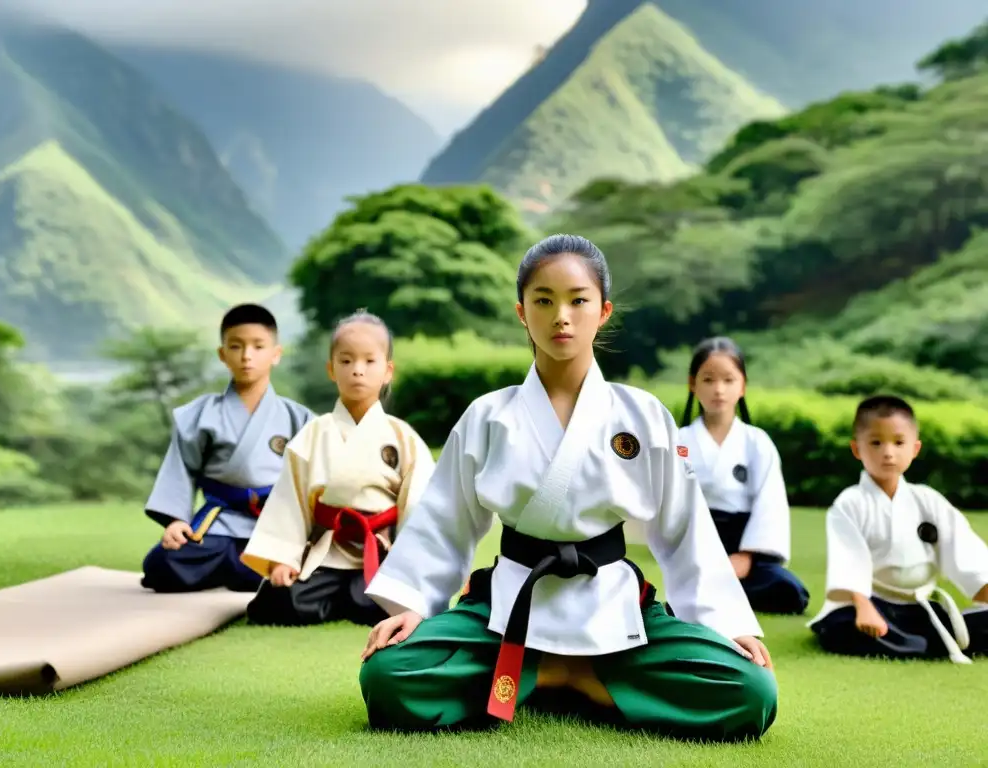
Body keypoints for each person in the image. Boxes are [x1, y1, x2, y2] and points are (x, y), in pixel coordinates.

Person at [356, 234, 777, 741]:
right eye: (544, 300)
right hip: (511, 601)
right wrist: (412, 607)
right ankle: (563, 673)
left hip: (613, 602)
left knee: (752, 689)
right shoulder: (489, 416)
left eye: (578, 300)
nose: (562, 316)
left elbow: (685, 530)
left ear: (603, 311)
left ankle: (565, 676)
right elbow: (444, 522)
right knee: (386, 676)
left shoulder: (642, 414)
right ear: (521, 312)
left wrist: (729, 622)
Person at [240, 311, 435, 628]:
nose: (357, 371)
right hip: (327, 552)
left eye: (369, 362)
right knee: (278, 602)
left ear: (387, 371)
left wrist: (409, 562)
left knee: (400, 604)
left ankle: (350, 599)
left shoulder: (404, 438)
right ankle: (344, 599)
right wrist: (283, 558)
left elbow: (419, 504)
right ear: (332, 369)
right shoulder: (314, 434)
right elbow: (291, 500)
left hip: (381, 552)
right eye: (346, 361)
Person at [140, 304, 314, 593]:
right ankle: (248, 573)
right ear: (223, 354)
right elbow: (180, 469)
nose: (247, 356)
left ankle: (249, 571)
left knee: (313, 565)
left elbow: (312, 484)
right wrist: (175, 522)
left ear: (276, 354)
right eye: (236, 346)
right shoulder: (199, 414)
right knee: (162, 563)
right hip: (219, 525)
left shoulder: (299, 418)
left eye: (258, 347)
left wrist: (306, 535)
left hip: (274, 528)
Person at [807, 395, 988, 662]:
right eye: (876, 443)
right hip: (870, 605)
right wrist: (864, 607)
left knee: (970, 623)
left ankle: (920, 642)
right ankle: (927, 644)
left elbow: (964, 552)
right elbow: (849, 561)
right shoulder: (849, 504)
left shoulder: (928, 500)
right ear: (857, 449)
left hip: (919, 608)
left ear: (915, 449)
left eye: (898, 442)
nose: (888, 452)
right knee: (840, 627)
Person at [676, 337, 809, 615]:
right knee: (694, 584)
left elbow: (769, 503)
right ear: (693, 384)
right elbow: (673, 505)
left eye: (728, 380)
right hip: (700, 543)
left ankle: (718, 592)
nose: (718, 389)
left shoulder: (757, 442)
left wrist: (746, 556)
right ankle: (711, 589)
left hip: (748, 547)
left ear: (743, 386)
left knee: (789, 591)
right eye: (708, 379)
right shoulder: (680, 441)